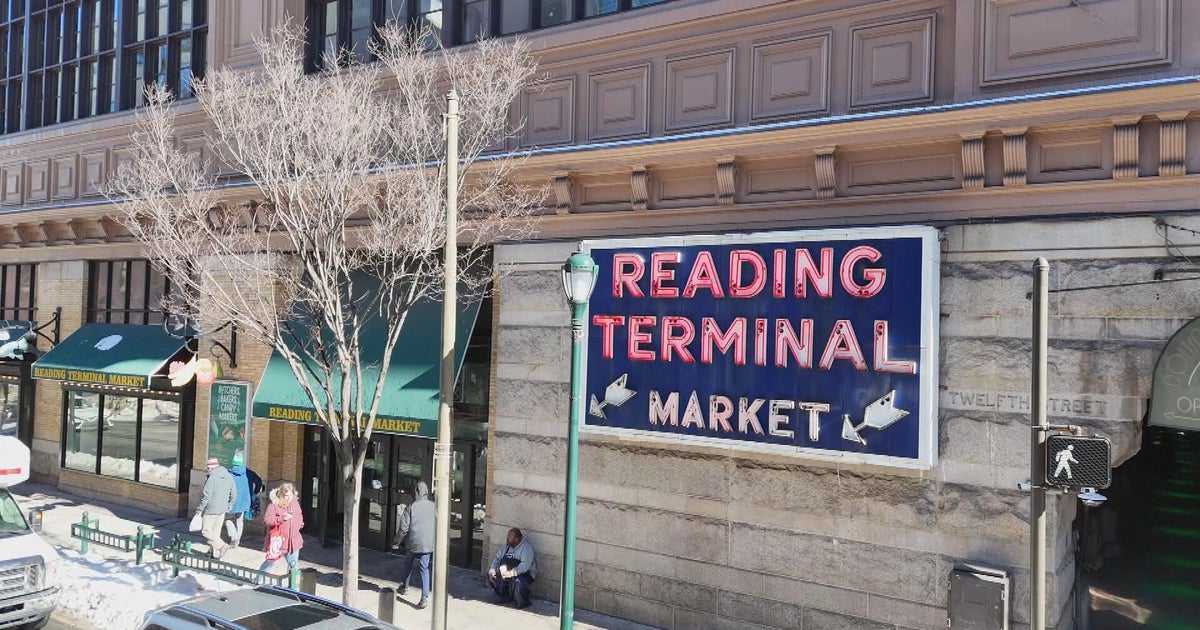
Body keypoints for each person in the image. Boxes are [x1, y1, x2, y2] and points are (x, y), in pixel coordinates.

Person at [396, 481, 435, 608]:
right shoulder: (433, 506)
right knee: (424, 567)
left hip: (413, 542)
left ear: (416, 492)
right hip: (428, 543)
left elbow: (403, 528)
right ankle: (424, 597)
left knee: (408, 563)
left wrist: (396, 542)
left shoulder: (411, 507)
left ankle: (405, 587)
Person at [258, 482, 304, 576]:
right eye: (286, 495)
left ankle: (292, 588)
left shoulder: (295, 504)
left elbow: (299, 515)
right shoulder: (274, 505)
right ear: (281, 494)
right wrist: (281, 518)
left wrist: (300, 523)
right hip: (278, 541)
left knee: (293, 566)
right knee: (269, 563)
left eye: (290, 495)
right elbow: (267, 520)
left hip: (293, 542)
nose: (288, 498)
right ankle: (257, 579)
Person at [194, 458, 236, 559]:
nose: (206, 469)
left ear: (210, 467)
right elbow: (234, 493)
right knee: (215, 532)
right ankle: (213, 553)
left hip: (211, 509)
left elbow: (206, 496)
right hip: (222, 509)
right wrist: (229, 505)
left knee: (206, 530)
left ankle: (221, 546)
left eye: (207, 468)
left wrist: (199, 510)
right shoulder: (228, 476)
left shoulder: (212, 478)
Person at [487, 527, 537, 609]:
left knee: (518, 581)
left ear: (517, 539)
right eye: (508, 536)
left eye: (510, 538)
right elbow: (497, 558)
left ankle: (522, 601)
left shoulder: (526, 548)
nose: (507, 539)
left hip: (524, 573)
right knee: (491, 576)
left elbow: (525, 565)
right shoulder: (506, 547)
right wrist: (492, 570)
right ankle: (503, 596)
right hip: (507, 571)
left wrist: (512, 573)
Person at [225, 451, 262, 548]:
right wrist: (254, 492)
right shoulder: (248, 473)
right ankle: (237, 541)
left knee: (228, 519)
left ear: (233, 462)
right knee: (239, 520)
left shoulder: (229, 473)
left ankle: (233, 536)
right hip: (245, 501)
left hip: (232, 501)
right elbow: (259, 482)